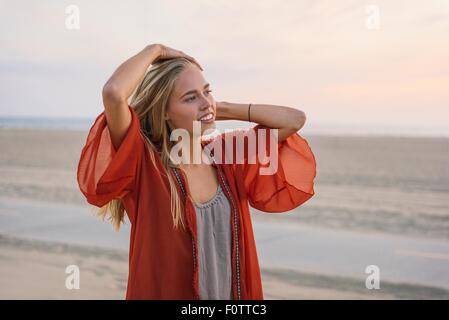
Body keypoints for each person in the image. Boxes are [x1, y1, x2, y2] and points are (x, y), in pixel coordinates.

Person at [76, 43, 317, 300]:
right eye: (190, 97)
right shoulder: (144, 164)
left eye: (207, 91)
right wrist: (155, 50)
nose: (204, 102)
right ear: (165, 112)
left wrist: (216, 108)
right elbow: (114, 93)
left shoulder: (226, 154)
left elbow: (294, 120)